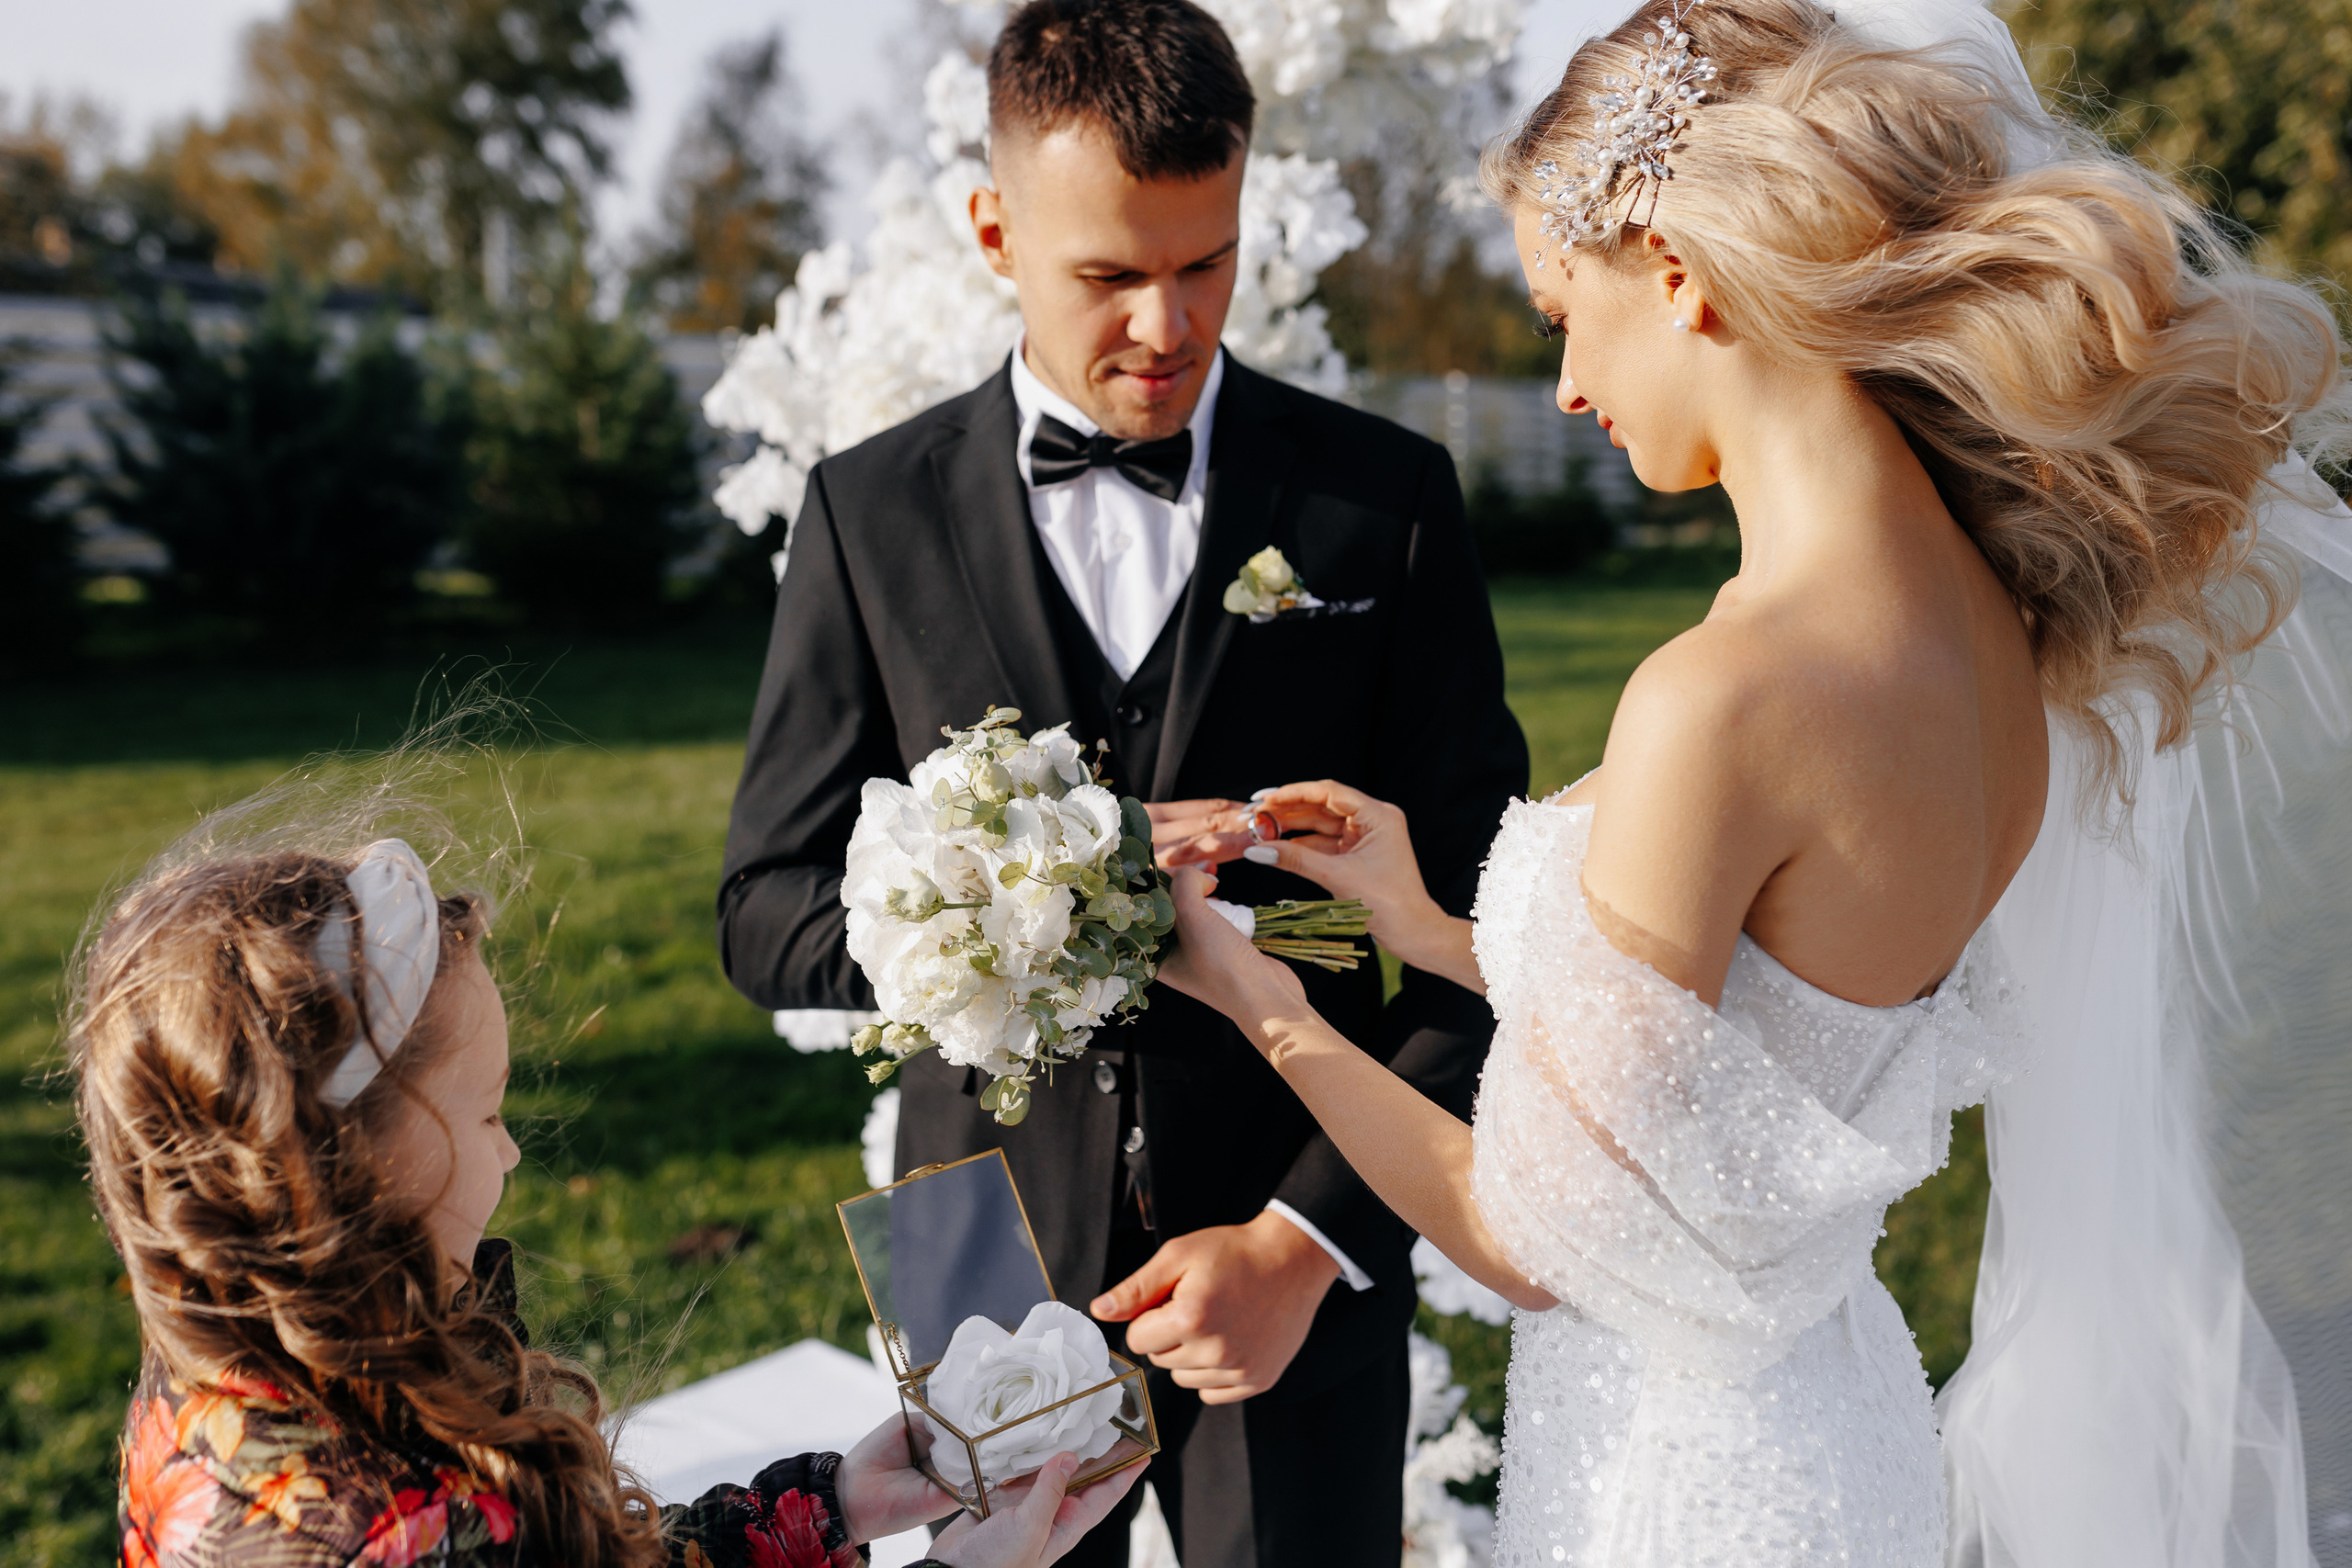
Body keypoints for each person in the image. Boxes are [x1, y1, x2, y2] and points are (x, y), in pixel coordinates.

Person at [1151, 0, 2352, 1563]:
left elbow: (1529, 1234)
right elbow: (1765, 1040)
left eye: (1561, 310)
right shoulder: (2000, 631)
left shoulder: (1727, 697)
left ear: (1681, 274)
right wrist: (1426, 922)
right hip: (1835, 1414)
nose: (1569, 381)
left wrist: (1255, 995)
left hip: (1684, 1479)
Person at [716, 0, 1528, 1562]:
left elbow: (1477, 924)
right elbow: (764, 907)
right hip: (970, 1227)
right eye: (1108, 275)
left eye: (1204, 261)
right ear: (993, 231)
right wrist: (1013, 925)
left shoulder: (1383, 505)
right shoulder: (869, 510)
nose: (1167, 323)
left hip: (1298, 1213)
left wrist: (1308, 1244)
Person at [74, 802, 1140, 1568]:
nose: (511, 1152)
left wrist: (817, 1508)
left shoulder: (228, 1368)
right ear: (348, 1169)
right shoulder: (416, 1532)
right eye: (488, 1114)